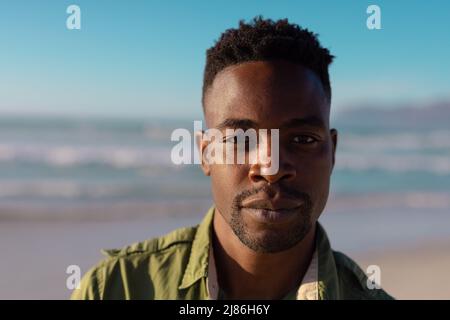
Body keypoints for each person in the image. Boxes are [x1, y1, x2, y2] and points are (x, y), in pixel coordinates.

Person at [72, 16, 393, 300]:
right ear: (206, 153)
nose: (271, 169)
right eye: (240, 139)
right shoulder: (117, 288)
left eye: (303, 139)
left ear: (332, 152)